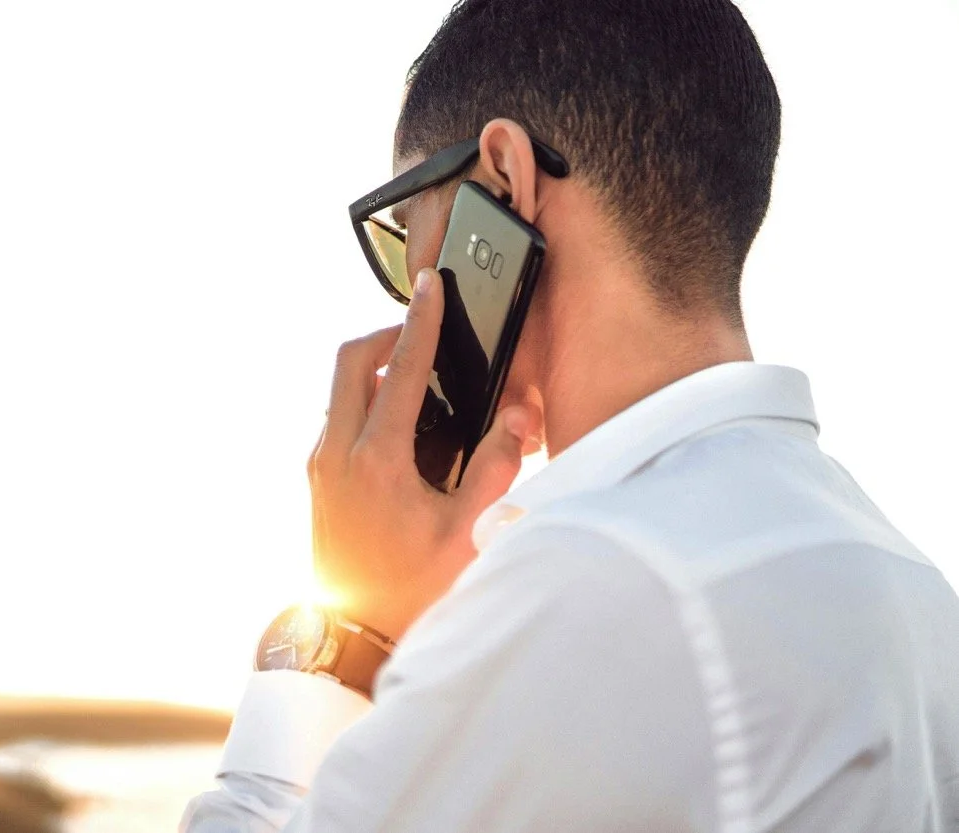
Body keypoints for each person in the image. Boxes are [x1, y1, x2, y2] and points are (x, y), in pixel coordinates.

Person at [182, 0, 959, 830]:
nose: (411, 287)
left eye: (406, 226)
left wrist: (344, 641)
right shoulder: (916, 591)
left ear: (504, 185)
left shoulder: (593, 583)